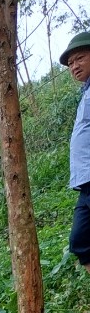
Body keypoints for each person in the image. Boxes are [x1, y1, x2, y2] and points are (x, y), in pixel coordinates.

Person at [61, 31, 90, 272]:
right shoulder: (85, 93)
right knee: (80, 242)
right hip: (86, 183)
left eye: (79, 58)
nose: (74, 67)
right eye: (70, 63)